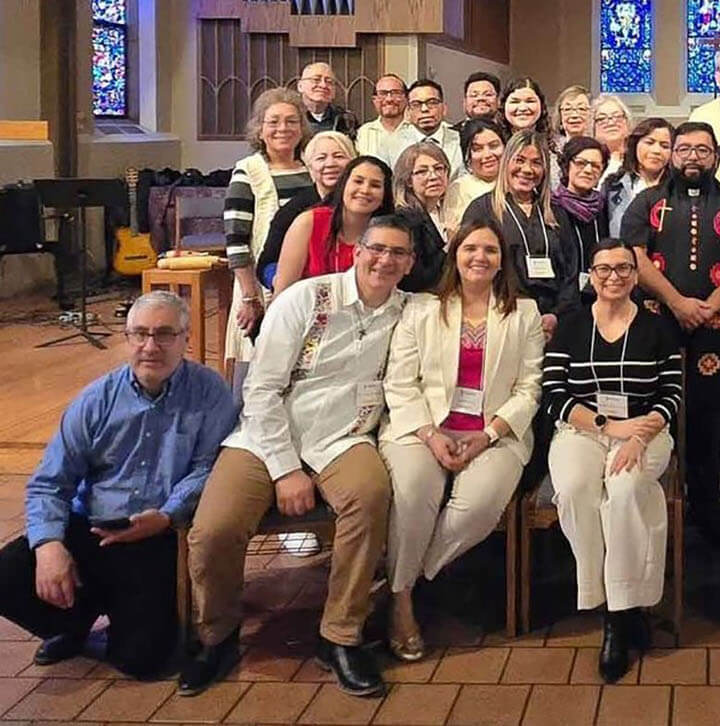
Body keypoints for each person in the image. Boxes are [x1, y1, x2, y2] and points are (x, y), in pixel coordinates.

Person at [179, 217, 414, 698]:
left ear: (410, 264)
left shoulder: (409, 311)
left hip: (344, 437)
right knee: (215, 528)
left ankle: (340, 635)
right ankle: (217, 635)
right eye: (377, 249)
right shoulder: (306, 298)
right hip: (266, 436)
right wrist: (285, 469)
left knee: (370, 498)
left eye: (398, 254)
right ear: (357, 250)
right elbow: (261, 388)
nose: (385, 260)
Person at [0, 293, 236, 679]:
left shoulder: (210, 393)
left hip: (155, 533)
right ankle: (71, 623)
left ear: (185, 338)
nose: (150, 346)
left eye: (164, 334)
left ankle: (111, 613)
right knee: (7, 576)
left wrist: (166, 515)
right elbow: (49, 482)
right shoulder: (95, 399)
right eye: (139, 334)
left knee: (143, 662)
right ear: (126, 338)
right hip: (90, 525)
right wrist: (48, 546)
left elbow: (207, 468)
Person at [380, 220, 543, 662]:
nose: (480, 257)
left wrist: (489, 435)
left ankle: (404, 579)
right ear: (454, 254)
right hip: (422, 428)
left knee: (480, 505)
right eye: (470, 248)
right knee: (415, 492)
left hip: (495, 432)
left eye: (490, 250)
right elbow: (399, 383)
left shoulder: (522, 313)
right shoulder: (421, 309)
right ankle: (401, 604)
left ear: (502, 260)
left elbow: (530, 388)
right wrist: (431, 436)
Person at [621, 120, 720, 548]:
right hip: (657, 325)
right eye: (683, 149)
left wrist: (710, 305)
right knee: (655, 410)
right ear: (672, 154)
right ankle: (653, 511)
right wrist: (677, 302)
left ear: (715, 155)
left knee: (709, 417)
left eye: (702, 150)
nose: (692, 157)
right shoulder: (646, 202)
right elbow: (636, 257)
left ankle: (707, 510)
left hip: (718, 331)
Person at [542, 240, 683, 683]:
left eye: (623, 268)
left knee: (623, 492)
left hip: (647, 430)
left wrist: (639, 434)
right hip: (583, 429)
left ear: (636, 276)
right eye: (603, 269)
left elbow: (672, 394)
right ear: (591, 275)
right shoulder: (571, 325)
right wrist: (608, 426)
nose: (614, 277)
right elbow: (554, 393)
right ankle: (605, 599)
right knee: (576, 490)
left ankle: (618, 617)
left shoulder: (659, 328)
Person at [223, 88, 314, 374]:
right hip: (261, 286)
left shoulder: (314, 167)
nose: (282, 129)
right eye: (273, 122)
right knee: (262, 368)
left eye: (291, 121)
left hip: (310, 279)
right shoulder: (249, 171)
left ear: (302, 127)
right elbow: (236, 240)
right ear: (259, 129)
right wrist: (251, 297)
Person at [461, 128, 582, 339]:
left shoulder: (557, 213)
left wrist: (556, 315)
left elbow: (571, 272)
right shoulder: (482, 210)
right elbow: (469, 267)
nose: (527, 169)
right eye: (519, 160)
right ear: (506, 162)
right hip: (501, 318)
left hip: (553, 324)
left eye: (536, 163)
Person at [273, 156, 395, 296]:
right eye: (358, 181)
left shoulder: (389, 234)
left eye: (375, 185)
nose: (365, 190)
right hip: (306, 313)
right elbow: (282, 293)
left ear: (384, 196)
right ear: (343, 186)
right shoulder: (309, 222)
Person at [257, 130, 354, 290]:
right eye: (321, 158)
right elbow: (266, 264)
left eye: (339, 156)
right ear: (309, 167)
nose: (330, 163)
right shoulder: (293, 211)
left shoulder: (365, 204)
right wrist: (284, 283)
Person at [390, 141, 453, 292]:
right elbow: (414, 279)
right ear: (408, 180)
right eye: (422, 171)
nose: (433, 176)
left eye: (439, 168)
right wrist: (450, 245)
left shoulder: (443, 210)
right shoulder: (404, 219)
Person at [553, 135, 611, 297]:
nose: (588, 170)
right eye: (580, 163)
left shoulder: (604, 207)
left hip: (602, 294)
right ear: (566, 166)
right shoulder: (551, 207)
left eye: (595, 165)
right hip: (563, 298)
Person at [603, 118, 673, 238]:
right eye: (649, 142)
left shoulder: (677, 189)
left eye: (665, 146)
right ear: (635, 144)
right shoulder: (613, 186)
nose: (656, 151)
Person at [443, 119, 504, 232]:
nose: (487, 155)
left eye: (494, 146)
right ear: (468, 156)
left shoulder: (517, 182)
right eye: (477, 149)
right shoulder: (459, 188)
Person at [407, 79, 465, 180]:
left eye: (432, 102)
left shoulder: (461, 141)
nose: (424, 109)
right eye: (416, 104)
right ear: (408, 112)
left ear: (444, 109)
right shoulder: (392, 144)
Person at [355, 73, 416, 165]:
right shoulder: (364, 132)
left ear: (406, 98)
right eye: (382, 93)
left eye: (395, 93)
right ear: (374, 100)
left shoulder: (417, 130)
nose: (389, 99)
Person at [297, 62, 357, 136]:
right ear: (300, 86)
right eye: (316, 80)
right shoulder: (292, 115)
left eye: (329, 82)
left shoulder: (345, 118)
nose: (323, 85)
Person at [593, 94, 634, 180]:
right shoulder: (588, 160)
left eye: (617, 117)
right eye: (602, 118)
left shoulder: (637, 158)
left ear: (627, 123)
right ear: (593, 127)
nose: (611, 123)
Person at [499, 77, 549, 144]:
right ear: (503, 106)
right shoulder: (492, 140)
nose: (522, 108)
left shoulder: (557, 145)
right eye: (515, 102)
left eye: (530, 101)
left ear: (541, 105)